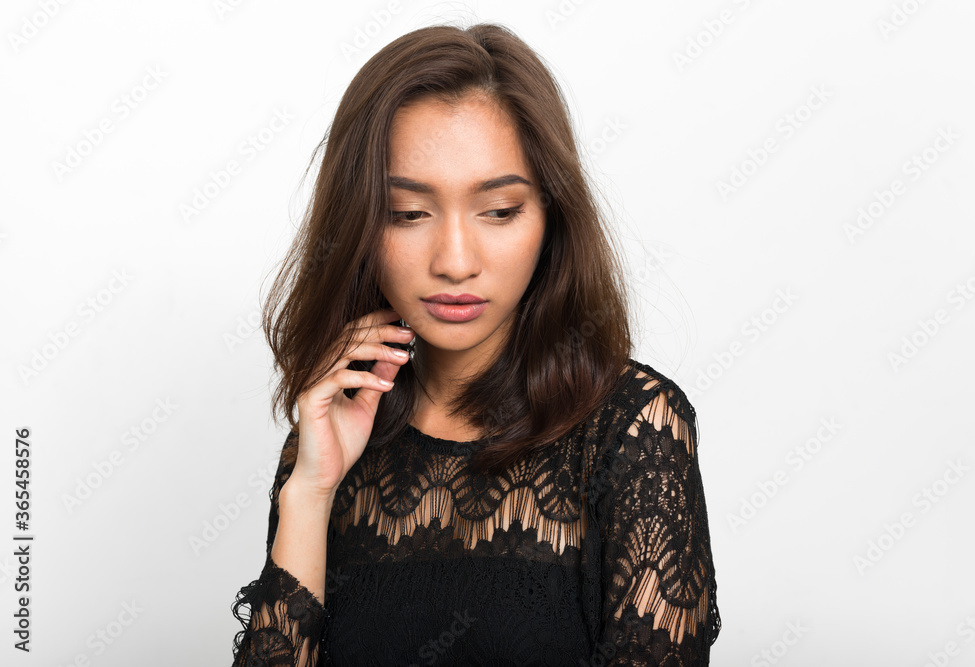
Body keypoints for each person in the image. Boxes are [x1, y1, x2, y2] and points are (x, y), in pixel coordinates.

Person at [230, 21, 721, 666]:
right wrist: (310, 491)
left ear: (552, 216)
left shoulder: (633, 426)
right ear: (357, 224)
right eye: (408, 214)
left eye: (498, 211)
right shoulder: (335, 440)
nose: (456, 262)